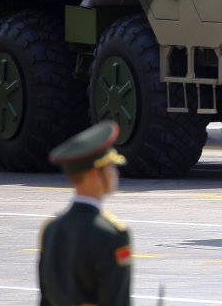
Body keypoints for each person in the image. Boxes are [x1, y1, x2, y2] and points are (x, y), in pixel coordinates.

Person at [38, 121, 132, 306]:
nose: (115, 173)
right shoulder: (112, 234)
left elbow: (45, 299)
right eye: (110, 167)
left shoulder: (51, 228)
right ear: (94, 175)